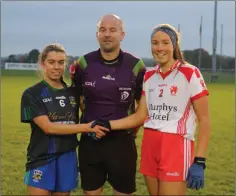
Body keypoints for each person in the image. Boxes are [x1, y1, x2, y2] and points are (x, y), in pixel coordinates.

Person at [93, 24, 211, 195]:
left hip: (175, 146)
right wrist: (107, 124)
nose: (159, 48)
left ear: (174, 45)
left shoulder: (190, 73)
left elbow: (205, 119)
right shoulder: (149, 75)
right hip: (150, 144)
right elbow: (140, 116)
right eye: (155, 43)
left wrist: (199, 159)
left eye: (165, 42)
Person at [70, 14, 146, 195]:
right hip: (91, 142)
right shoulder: (83, 62)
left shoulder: (136, 65)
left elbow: (141, 108)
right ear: (97, 34)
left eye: (113, 30)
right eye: (102, 30)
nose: (107, 34)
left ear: (122, 34)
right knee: (91, 192)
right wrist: (91, 122)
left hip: (122, 143)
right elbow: (79, 100)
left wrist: (129, 130)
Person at [20, 43, 109, 196]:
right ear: (43, 64)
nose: (56, 67)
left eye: (61, 62)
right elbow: (49, 127)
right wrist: (86, 127)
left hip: (67, 157)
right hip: (41, 158)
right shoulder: (31, 94)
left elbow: (90, 110)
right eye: (51, 62)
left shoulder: (73, 92)